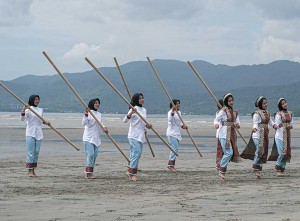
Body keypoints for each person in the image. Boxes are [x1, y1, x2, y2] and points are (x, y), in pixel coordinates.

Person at [123, 93, 152, 181]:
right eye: (140, 98)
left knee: (136, 154)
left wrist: (147, 126)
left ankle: (130, 170)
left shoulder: (144, 110)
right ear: (136, 100)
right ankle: (132, 174)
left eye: (142, 98)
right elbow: (125, 121)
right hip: (133, 135)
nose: (142, 99)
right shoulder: (133, 109)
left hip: (141, 135)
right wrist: (131, 112)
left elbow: (143, 122)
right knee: (136, 153)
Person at [21, 95, 50, 177]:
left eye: (38, 99)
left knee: (36, 152)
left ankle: (33, 170)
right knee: (31, 152)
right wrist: (24, 109)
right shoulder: (28, 109)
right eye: (35, 99)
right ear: (31, 100)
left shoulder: (40, 110)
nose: (37, 100)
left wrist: (47, 122)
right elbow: (22, 119)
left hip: (39, 133)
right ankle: (29, 171)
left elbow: (41, 120)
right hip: (30, 132)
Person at [215, 93, 242, 180]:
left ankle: (221, 170)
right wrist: (216, 124)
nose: (231, 102)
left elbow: (237, 121)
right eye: (229, 101)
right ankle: (221, 169)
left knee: (228, 153)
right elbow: (216, 120)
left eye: (232, 100)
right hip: (223, 134)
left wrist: (237, 124)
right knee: (228, 153)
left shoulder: (234, 112)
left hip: (232, 134)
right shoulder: (223, 111)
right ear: (226, 102)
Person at [250, 96, 277, 178]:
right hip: (257, 134)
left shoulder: (267, 113)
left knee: (263, 151)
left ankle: (258, 168)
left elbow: (271, 122)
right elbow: (255, 123)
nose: (266, 104)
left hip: (265, 134)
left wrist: (275, 125)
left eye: (266, 103)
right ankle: (255, 166)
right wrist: (254, 128)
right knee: (259, 149)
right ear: (260, 104)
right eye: (264, 103)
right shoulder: (256, 114)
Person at [82, 98, 108, 179]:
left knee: (95, 155)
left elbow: (101, 123)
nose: (97, 104)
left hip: (96, 138)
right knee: (91, 154)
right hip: (88, 137)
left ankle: (88, 171)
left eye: (98, 103)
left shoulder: (99, 114)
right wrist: (86, 114)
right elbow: (84, 123)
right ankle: (88, 173)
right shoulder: (89, 113)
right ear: (92, 104)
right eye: (96, 103)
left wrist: (104, 128)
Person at [268, 98, 293, 177]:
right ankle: (277, 166)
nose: (285, 104)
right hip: (279, 136)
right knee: (282, 153)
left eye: (285, 103)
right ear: (280, 106)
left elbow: (292, 123)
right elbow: (276, 125)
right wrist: (279, 125)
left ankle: (282, 169)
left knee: (287, 153)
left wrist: (290, 126)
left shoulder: (290, 113)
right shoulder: (278, 114)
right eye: (283, 103)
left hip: (288, 135)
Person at [166, 99, 188, 172]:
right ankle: (170, 165)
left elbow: (179, 123)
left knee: (176, 149)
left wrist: (183, 126)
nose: (178, 105)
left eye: (179, 103)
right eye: (177, 103)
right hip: (171, 133)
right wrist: (172, 111)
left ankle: (171, 165)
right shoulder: (170, 112)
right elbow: (170, 119)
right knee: (174, 149)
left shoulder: (179, 112)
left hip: (177, 133)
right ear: (173, 105)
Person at [214, 99, 224, 170]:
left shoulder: (227, 112)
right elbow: (216, 120)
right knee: (220, 149)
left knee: (225, 149)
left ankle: (222, 163)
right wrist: (216, 124)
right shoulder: (218, 112)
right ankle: (219, 164)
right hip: (220, 133)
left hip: (227, 132)